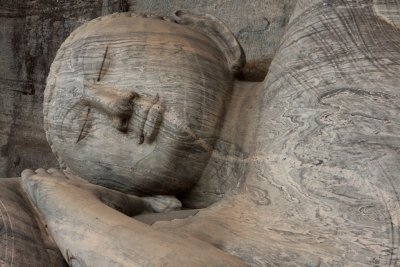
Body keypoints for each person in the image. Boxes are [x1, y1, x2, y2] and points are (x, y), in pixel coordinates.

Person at [8, 0, 400, 265]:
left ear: (210, 33)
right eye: (86, 128)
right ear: (142, 193)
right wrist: (72, 213)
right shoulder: (207, 234)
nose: (116, 104)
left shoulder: (334, 16)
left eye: (110, 63)